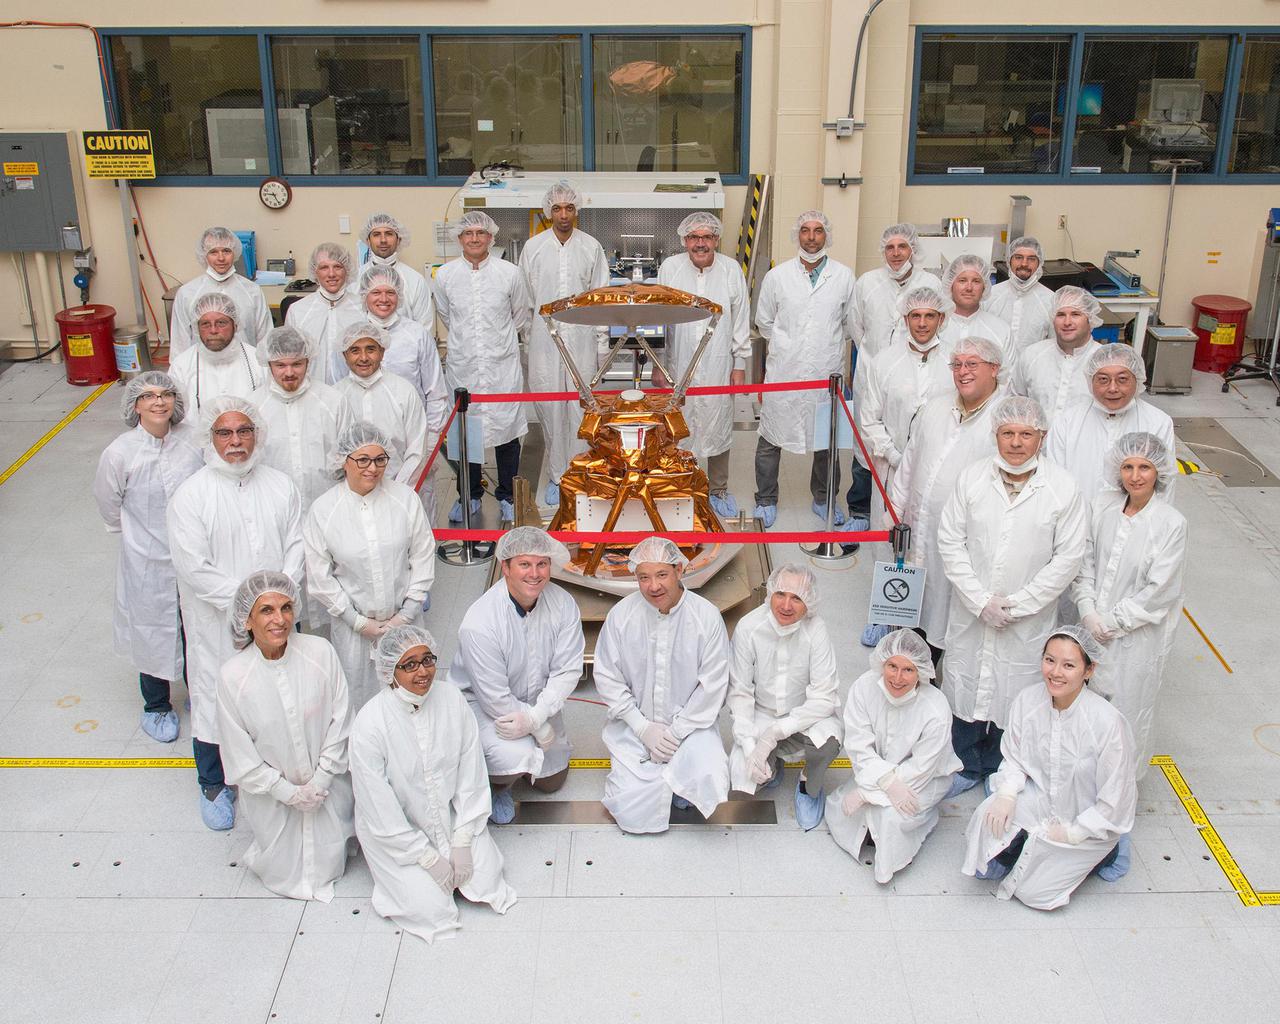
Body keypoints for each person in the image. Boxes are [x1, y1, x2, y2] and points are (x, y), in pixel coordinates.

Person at [167, 396, 304, 830]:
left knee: (277, 696)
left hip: (279, 615)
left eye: (244, 431)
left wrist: (277, 601)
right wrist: (253, 606)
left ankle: (275, 771)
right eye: (224, 433)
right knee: (213, 699)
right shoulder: (191, 496)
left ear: (257, 434)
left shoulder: (281, 486)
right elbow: (193, 568)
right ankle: (212, 782)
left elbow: (297, 546)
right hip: (217, 623)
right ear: (210, 438)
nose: (235, 441)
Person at [937, 395, 1087, 792]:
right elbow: (950, 542)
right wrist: (980, 600)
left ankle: (1005, 765)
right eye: (1008, 433)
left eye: (1026, 434)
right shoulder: (971, 478)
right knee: (967, 685)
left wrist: (1019, 604)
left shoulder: (1063, 488)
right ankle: (967, 764)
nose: (1016, 442)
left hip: (1029, 618)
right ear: (995, 435)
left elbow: (1068, 558)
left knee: (1017, 694)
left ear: (1042, 437)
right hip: (973, 610)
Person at [350, 625, 517, 943]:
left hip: (451, 817)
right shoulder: (370, 726)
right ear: (389, 672)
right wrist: (426, 857)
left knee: (486, 879)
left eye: (427, 659)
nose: (423, 671)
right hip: (396, 836)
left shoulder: (451, 699)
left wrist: (463, 838)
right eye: (409, 664)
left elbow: (471, 773)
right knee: (431, 910)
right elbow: (378, 807)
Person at [962, 626, 1137, 908]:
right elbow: (1015, 758)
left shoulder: (1107, 723)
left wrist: (1074, 833)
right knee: (985, 831)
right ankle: (1032, 845)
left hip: (1089, 819)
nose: (1056, 672)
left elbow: (1116, 798)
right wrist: (1006, 795)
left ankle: (1112, 853)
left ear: (1089, 670)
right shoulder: (1028, 701)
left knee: (1034, 894)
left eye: (1069, 665)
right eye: (1050, 660)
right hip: (1042, 799)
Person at [217, 571, 355, 902]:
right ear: (246, 620)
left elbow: (341, 719)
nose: (280, 619)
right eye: (266, 610)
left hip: (328, 788)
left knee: (330, 853)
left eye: (287, 607)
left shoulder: (320, 653)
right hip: (273, 800)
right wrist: (287, 792)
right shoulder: (234, 677)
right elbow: (239, 752)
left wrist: (321, 779)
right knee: (283, 863)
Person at [93, 372, 204, 743]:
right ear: (136, 405)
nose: (159, 402)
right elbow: (109, 504)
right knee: (151, 630)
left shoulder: (192, 443)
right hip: (145, 559)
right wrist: (138, 540)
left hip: (192, 554)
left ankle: (199, 694)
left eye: (167, 394)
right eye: (150, 396)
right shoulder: (120, 453)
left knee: (196, 626)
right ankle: (156, 705)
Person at [449, 527, 585, 824]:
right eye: (524, 564)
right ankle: (496, 786)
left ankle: (523, 759)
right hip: (485, 707)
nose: (534, 574)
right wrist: (536, 728)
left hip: (536, 704)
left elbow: (568, 670)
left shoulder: (562, 604)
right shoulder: (481, 622)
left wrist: (537, 718)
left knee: (552, 782)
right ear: (505, 567)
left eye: (542, 564)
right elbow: (493, 696)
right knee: (514, 760)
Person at [594, 538, 731, 833]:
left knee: (710, 776)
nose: (653, 586)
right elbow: (607, 677)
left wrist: (675, 733)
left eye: (661, 575)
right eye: (644, 577)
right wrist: (643, 728)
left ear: (679, 570)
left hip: (693, 727)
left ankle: (679, 784)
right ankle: (662, 784)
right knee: (632, 815)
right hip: (634, 728)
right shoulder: (621, 616)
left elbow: (712, 688)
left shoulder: (706, 618)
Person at [1074, 433, 1186, 777]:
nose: (1135, 476)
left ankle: (1120, 798)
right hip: (1091, 630)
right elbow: (1086, 561)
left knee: (1126, 716)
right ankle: (1082, 787)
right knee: (1085, 712)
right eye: (1127, 466)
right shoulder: (1104, 508)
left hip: (1136, 640)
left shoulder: (1170, 523)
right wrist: (1087, 610)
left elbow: (1160, 590)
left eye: (1144, 467)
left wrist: (1113, 622)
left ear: (1160, 472)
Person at [304, 423, 436, 711]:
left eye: (380, 460)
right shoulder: (324, 510)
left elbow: (423, 555)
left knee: (412, 698)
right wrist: (356, 621)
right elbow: (319, 576)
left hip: (406, 622)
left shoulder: (404, 500)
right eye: (362, 460)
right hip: (353, 631)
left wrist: (408, 612)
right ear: (344, 461)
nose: (372, 469)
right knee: (361, 702)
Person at [888, 336, 1006, 656]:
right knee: (909, 605)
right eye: (957, 364)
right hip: (916, 531)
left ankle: (937, 680)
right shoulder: (936, 407)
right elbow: (910, 464)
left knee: (949, 614)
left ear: (994, 368)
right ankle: (908, 666)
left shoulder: (1006, 419)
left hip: (966, 543)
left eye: (973, 364)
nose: (963, 372)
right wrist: (894, 514)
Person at [855, 286, 959, 646]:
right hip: (893, 469)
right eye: (916, 316)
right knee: (888, 541)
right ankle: (882, 614)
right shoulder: (884, 362)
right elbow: (869, 420)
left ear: (942, 319)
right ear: (905, 319)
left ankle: (928, 617)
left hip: (941, 474)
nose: (922, 323)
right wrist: (897, 458)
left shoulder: (955, 364)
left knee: (932, 544)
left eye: (930, 316)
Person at [753, 210, 863, 529]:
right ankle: (766, 500)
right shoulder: (778, 276)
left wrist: (820, 345)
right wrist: (791, 346)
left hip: (825, 370)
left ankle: (824, 499)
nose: (811, 237)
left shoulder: (844, 276)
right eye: (805, 230)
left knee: (827, 440)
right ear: (797, 235)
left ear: (826, 235)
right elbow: (764, 322)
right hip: (784, 371)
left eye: (817, 231)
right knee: (770, 438)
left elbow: (848, 324)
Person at [827, 630, 961, 883]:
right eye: (892, 666)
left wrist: (869, 793)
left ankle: (922, 822)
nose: (898, 678)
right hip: (875, 772)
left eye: (908, 670)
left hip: (924, 780)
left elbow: (923, 767)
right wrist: (886, 783)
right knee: (844, 810)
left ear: (921, 672)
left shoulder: (935, 707)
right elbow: (858, 746)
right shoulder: (864, 688)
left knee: (889, 818)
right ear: (881, 662)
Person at [432, 210, 533, 523]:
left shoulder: (509, 273)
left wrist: (495, 345)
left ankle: (506, 495)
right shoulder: (445, 276)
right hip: (464, 367)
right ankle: (470, 495)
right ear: (459, 238)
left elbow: (521, 316)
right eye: (467, 234)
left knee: (506, 433)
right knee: (467, 434)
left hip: (502, 366)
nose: (474, 238)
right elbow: (447, 316)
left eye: (480, 233)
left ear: (491, 237)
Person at [727, 565, 841, 830]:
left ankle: (808, 785)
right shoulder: (749, 627)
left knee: (830, 741)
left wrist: (775, 734)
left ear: (809, 603)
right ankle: (771, 766)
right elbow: (740, 691)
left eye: (797, 598)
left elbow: (824, 697)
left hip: (804, 716)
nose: (786, 605)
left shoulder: (816, 631)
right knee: (742, 779)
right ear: (770, 593)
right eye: (781, 594)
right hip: (761, 714)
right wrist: (748, 746)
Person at [518, 180, 610, 505]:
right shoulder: (533, 248)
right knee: (551, 407)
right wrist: (529, 344)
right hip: (544, 343)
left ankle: (579, 471)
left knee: (580, 407)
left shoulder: (591, 247)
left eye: (569, 208)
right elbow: (525, 302)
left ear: (577, 210)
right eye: (557, 208)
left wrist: (600, 346)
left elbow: (601, 301)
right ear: (548, 211)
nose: (563, 214)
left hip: (582, 340)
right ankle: (557, 475)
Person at [655, 211, 752, 518]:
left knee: (719, 422)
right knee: (680, 427)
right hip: (679, 361)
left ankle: (719, 489)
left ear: (716, 240)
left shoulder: (730, 269)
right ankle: (682, 484)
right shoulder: (670, 268)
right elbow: (659, 317)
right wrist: (659, 364)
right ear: (685, 241)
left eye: (707, 237)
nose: (700, 244)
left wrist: (739, 364)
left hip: (718, 361)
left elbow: (740, 319)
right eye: (694, 238)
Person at [1044, 344, 1177, 505]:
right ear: (1090, 381)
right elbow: (1055, 481)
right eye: (1103, 380)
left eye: (1122, 379)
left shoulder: (1158, 422)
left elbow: (1165, 485)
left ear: (1138, 379)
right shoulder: (1068, 422)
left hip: (1136, 524)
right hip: (1078, 520)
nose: (1112, 388)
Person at [334, 322, 435, 512]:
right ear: (344, 356)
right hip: (350, 500)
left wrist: (397, 493)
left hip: (400, 493)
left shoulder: (403, 391)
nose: (363, 357)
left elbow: (416, 451)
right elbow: (333, 454)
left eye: (370, 349)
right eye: (355, 350)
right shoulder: (335, 397)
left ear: (382, 352)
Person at [254, 325, 354, 513]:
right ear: (268, 364)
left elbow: (351, 457)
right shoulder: (253, 407)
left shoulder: (333, 402)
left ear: (308, 361)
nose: (289, 372)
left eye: (297, 364)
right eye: (280, 365)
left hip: (328, 507)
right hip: (272, 509)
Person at [358, 264, 448, 419]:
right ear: (364, 296)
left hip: (412, 428)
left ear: (399, 296)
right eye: (376, 292)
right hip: (365, 430)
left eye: (390, 292)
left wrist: (432, 437)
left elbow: (436, 392)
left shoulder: (417, 335)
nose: (384, 299)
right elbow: (342, 388)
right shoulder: (353, 336)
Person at [169, 226, 272, 358]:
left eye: (226, 251)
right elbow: (179, 344)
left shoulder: (252, 291)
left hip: (246, 367)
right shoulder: (187, 293)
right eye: (213, 252)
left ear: (235, 252)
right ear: (204, 255)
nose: (221, 258)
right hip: (201, 369)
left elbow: (265, 336)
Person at [1011, 286, 1102, 425]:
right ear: (1052, 319)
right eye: (1061, 315)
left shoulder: (1103, 361)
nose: (1067, 322)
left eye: (1075, 314)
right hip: (1037, 445)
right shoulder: (1032, 355)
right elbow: (1016, 401)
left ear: (1090, 320)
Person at [853, 222, 945, 359]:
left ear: (913, 250)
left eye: (902, 246)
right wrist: (871, 353)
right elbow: (855, 327)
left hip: (913, 367)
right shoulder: (867, 282)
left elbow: (939, 327)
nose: (896, 253)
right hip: (870, 364)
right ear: (884, 252)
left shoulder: (930, 283)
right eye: (890, 247)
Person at [168, 293, 263, 414]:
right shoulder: (181, 366)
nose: (213, 330)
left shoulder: (257, 361)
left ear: (235, 325)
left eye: (221, 323)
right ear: (197, 328)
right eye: (205, 324)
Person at [285, 242, 364, 384]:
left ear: (347, 270)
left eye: (337, 267)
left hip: (354, 391)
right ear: (315, 271)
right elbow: (290, 358)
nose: (331, 274)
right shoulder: (298, 311)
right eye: (324, 268)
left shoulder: (362, 308)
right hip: (311, 393)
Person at [359, 212, 434, 327]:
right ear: (368, 241)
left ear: (398, 240)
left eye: (389, 234)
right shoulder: (356, 279)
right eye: (376, 234)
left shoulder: (415, 280)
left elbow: (424, 327)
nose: (383, 240)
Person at [985, 236, 1055, 350]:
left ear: (1039, 263)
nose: (1024, 263)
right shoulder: (990, 295)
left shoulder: (1051, 300)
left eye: (1031, 259)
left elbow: (1054, 345)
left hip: (1033, 366)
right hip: (996, 366)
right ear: (1009, 261)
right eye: (1018, 257)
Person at [938, 254, 1011, 358]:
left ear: (985, 287)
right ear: (950, 285)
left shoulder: (1001, 330)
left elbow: (1009, 373)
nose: (969, 288)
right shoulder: (934, 328)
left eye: (976, 281)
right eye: (962, 280)